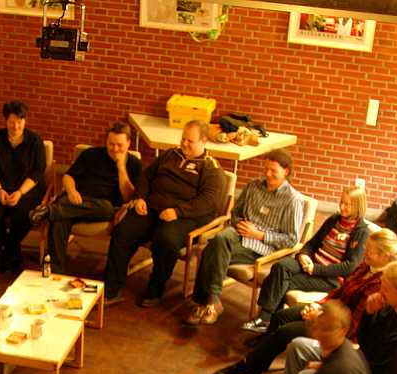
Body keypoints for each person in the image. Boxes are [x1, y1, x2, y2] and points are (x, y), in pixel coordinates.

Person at [211, 228, 397, 374]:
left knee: (285, 332)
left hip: (340, 330)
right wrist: (319, 305)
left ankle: (249, 370)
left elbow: (354, 326)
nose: (365, 252)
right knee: (281, 317)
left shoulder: (380, 284)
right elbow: (340, 290)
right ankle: (257, 364)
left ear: (385, 256)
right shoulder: (365, 267)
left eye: (370, 250)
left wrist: (320, 317)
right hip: (331, 311)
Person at [203, 185, 369, 331]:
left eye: (347, 204)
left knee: (281, 282)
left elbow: (350, 266)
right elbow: (311, 243)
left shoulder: (361, 232)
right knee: (280, 267)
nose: (342, 206)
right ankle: (267, 322)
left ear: (358, 206)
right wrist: (303, 254)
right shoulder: (334, 220)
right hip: (311, 263)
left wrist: (316, 269)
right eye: (341, 202)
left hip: (330, 278)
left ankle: (266, 320)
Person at [103, 120, 224, 307]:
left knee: (165, 239)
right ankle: (112, 288)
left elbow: (208, 202)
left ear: (204, 141)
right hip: (152, 207)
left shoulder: (211, 168)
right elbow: (146, 176)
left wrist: (177, 212)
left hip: (186, 216)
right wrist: (140, 197)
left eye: (190, 141)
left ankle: (155, 289)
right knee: (123, 229)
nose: (184, 144)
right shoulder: (169, 155)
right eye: (183, 139)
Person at [184, 150, 304, 326]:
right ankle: (212, 302)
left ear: (286, 171)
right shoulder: (253, 186)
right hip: (238, 236)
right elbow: (235, 213)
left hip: (262, 248)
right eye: (266, 169)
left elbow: (291, 239)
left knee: (210, 250)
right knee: (221, 239)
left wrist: (259, 234)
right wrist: (240, 223)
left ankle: (204, 302)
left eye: (273, 171)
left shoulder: (293, 200)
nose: (267, 174)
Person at [32, 121, 142, 273]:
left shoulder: (134, 164)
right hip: (75, 202)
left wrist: (121, 169)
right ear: (106, 141)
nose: (115, 149)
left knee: (106, 208)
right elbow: (68, 176)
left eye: (119, 145)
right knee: (59, 219)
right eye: (111, 144)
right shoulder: (91, 154)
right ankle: (55, 271)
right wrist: (71, 191)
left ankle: (48, 210)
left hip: (104, 210)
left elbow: (129, 197)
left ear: (129, 143)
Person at [0, 100, 47, 273]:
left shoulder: (35, 141)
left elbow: (38, 172)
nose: (16, 126)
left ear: (25, 120)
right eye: (12, 122)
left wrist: (20, 192)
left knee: (24, 216)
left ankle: (6, 249)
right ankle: (12, 250)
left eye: (20, 121)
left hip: (26, 190)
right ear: (6, 121)